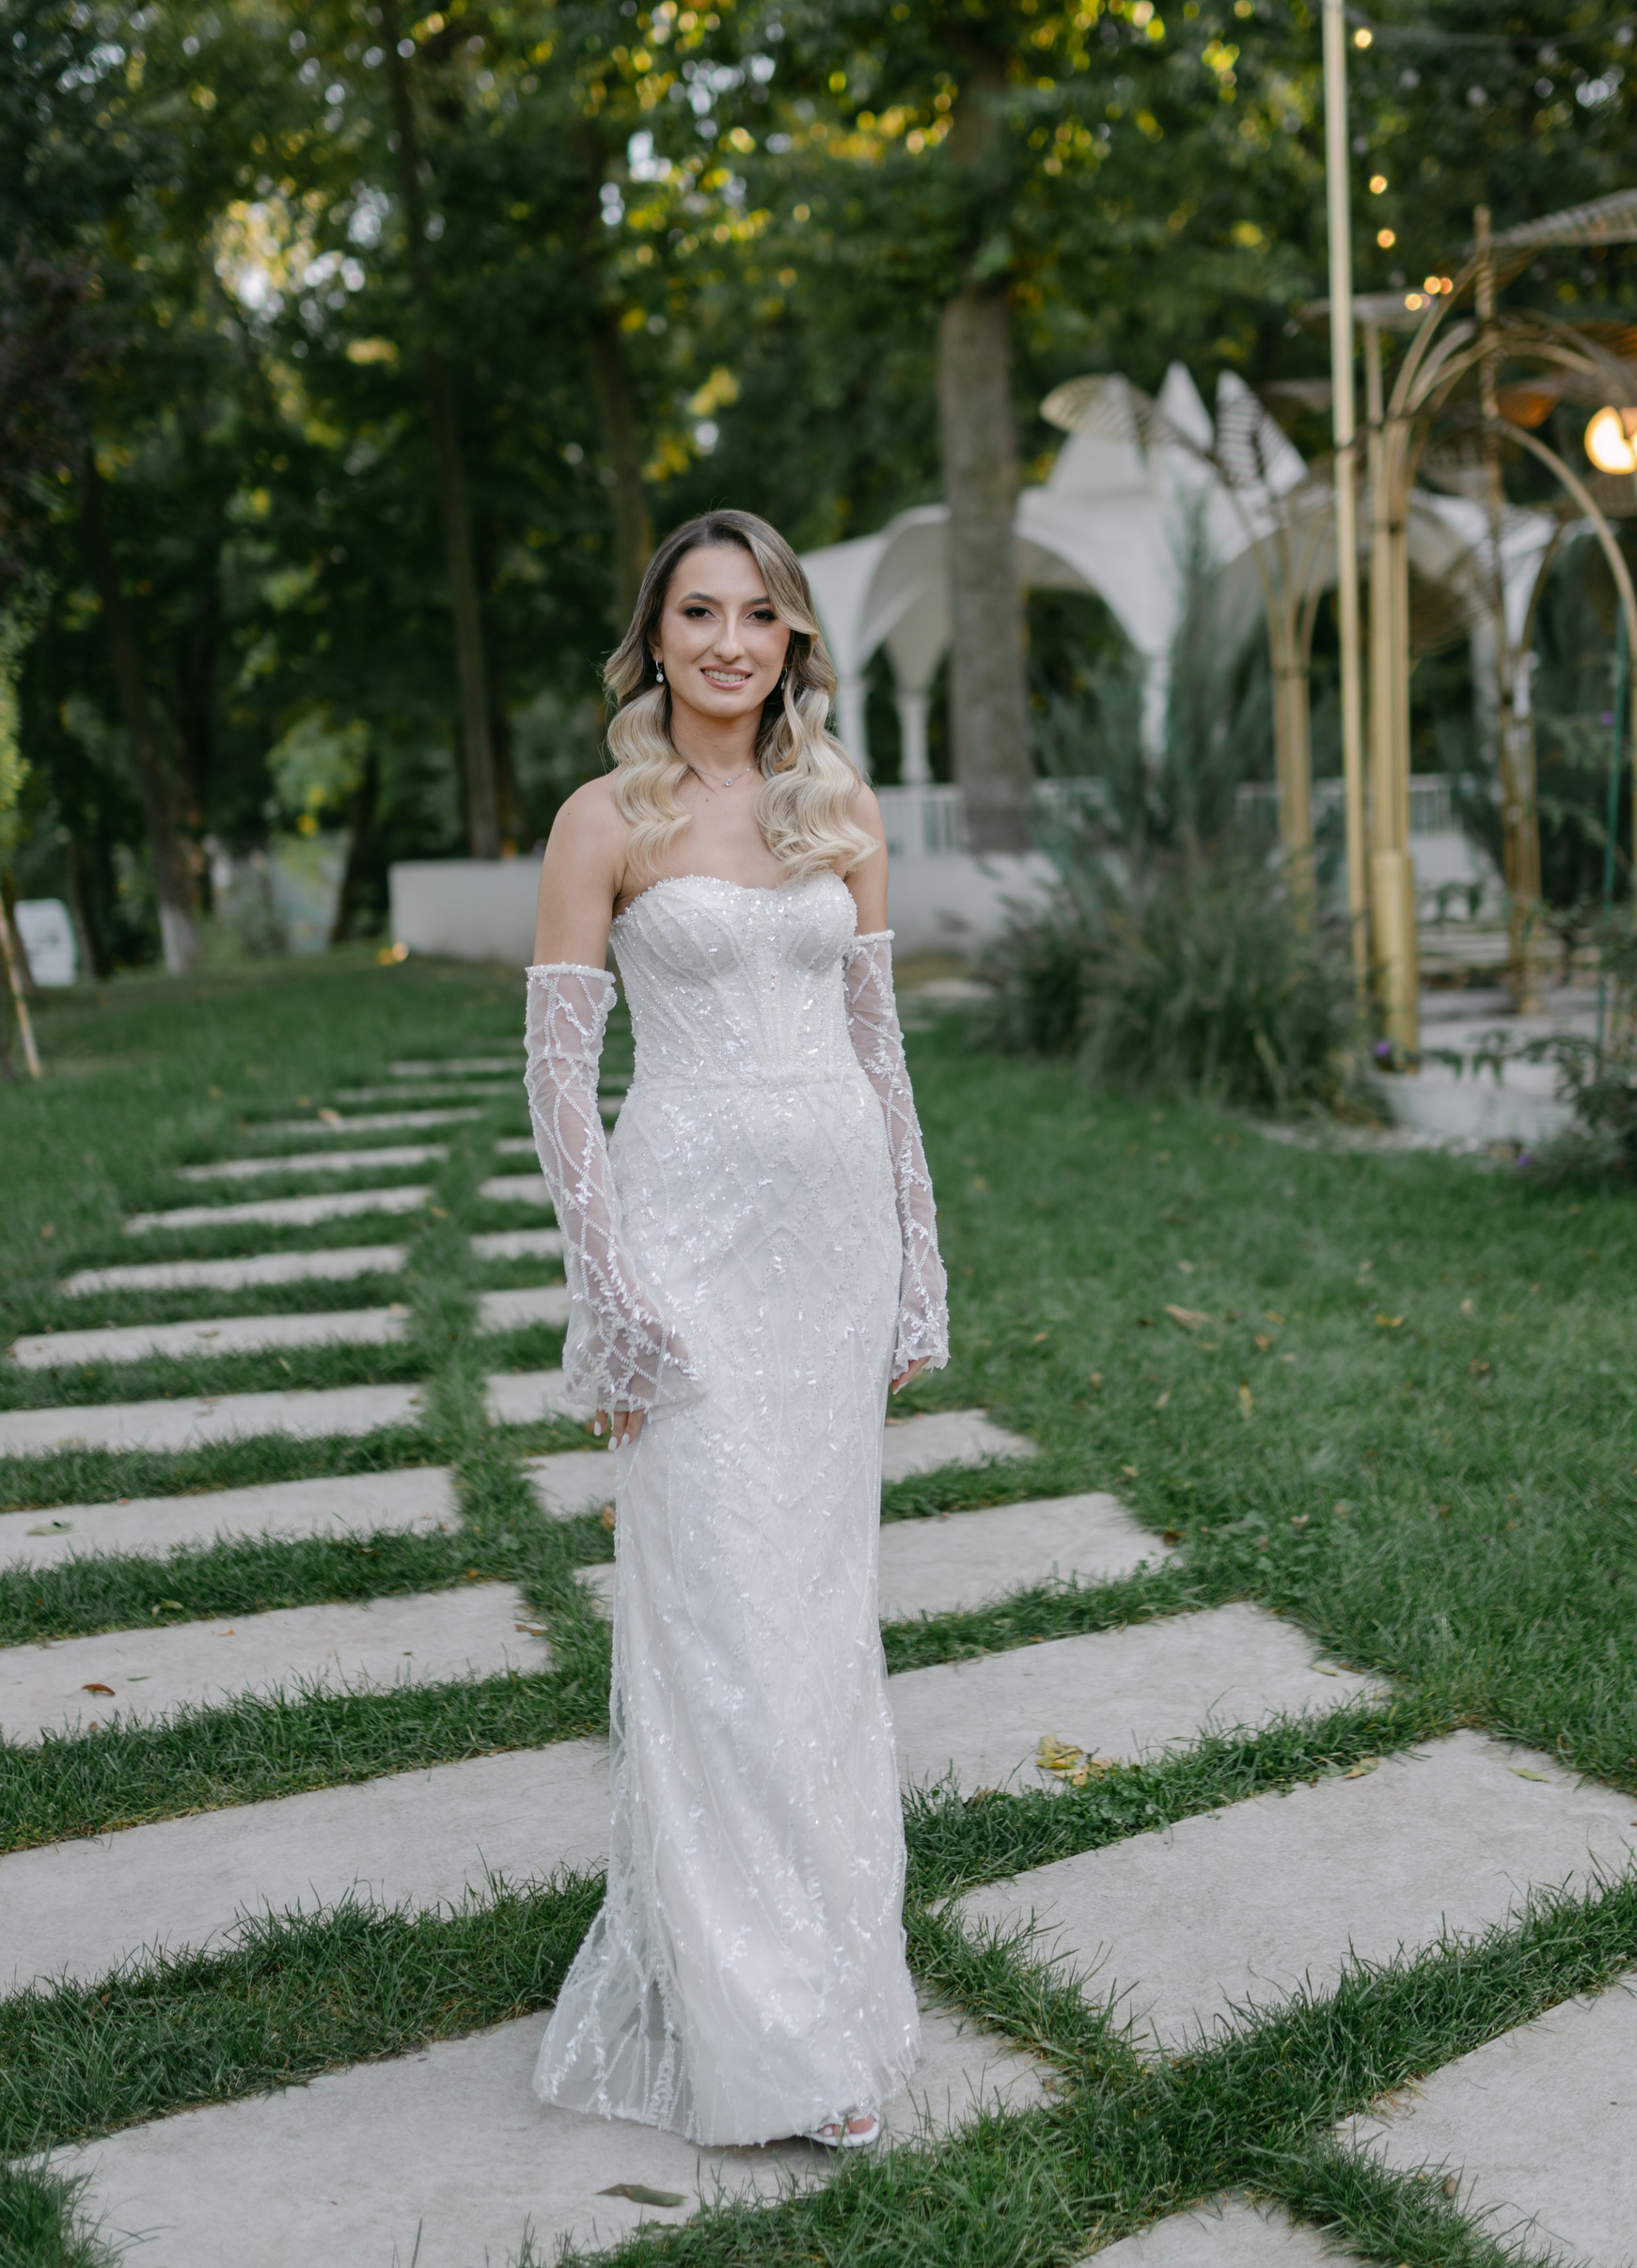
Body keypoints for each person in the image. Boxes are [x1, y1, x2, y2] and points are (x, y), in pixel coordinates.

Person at [523, 508, 950, 2155]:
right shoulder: (604, 819)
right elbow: (561, 1079)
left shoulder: (838, 807)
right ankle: (758, 2025)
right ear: (657, 636)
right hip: (688, 1245)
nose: (727, 643)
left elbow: (880, 1050)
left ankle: (830, 1986)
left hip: (832, 1250)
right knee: (719, 1620)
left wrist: (919, 1262)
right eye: (698, 613)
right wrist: (609, 1289)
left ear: (792, 643)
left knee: (817, 1623)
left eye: (758, 615)